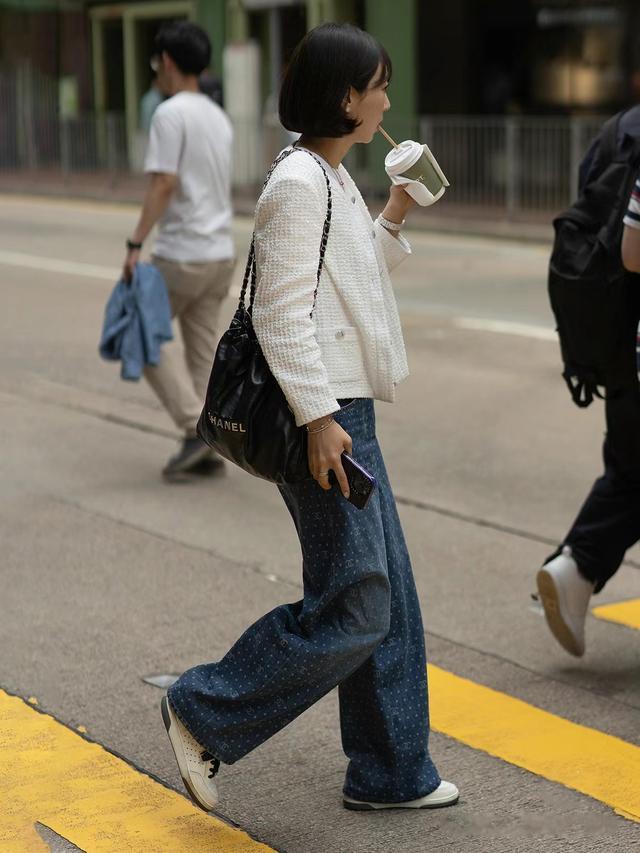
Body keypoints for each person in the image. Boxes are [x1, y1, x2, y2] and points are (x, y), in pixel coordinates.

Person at [160, 23, 459, 812]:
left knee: (383, 592)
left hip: (342, 406)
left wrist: (393, 213)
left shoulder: (324, 175)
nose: (388, 99)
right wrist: (321, 420)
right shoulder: (298, 184)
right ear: (345, 98)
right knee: (356, 601)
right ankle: (203, 708)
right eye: (379, 85)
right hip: (320, 414)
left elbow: (349, 279)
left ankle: (392, 771)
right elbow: (285, 317)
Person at [536, 107, 640, 657]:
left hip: (619, 340)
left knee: (629, 469)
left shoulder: (619, 130)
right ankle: (576, 568)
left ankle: (575, 567)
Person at [123, 21, 235, 480]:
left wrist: (135, 243)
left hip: (181, 254)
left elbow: (164, 181)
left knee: (137, 334)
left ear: (167, 62)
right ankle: (205, 442)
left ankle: (195, 430)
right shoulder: (218, 116)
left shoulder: (170, 114)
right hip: (219, 254)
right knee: (202, 354)